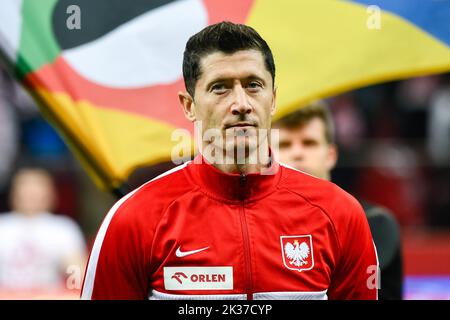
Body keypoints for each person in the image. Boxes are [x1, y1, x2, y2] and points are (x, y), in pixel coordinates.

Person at [81, 21, 378, 300]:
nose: (241, 104)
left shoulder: (340, 214)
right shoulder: (133, 220)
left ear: (272, 99)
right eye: (220, 87)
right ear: (188, 105)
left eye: (253, 85)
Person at [272, 100, 403, 300]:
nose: (297, 153)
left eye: (309, 143)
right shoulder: (253, 222)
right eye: (285, 144)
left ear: (331, 155)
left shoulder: (373, 222)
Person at [0, 168, 87, 299]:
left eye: (37, 188)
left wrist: (70, 292)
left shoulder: (63, 228)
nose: (30, 193)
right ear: (13, 194)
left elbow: (77, 274)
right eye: (25, 187)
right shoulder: (3, 225)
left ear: (51, 195)